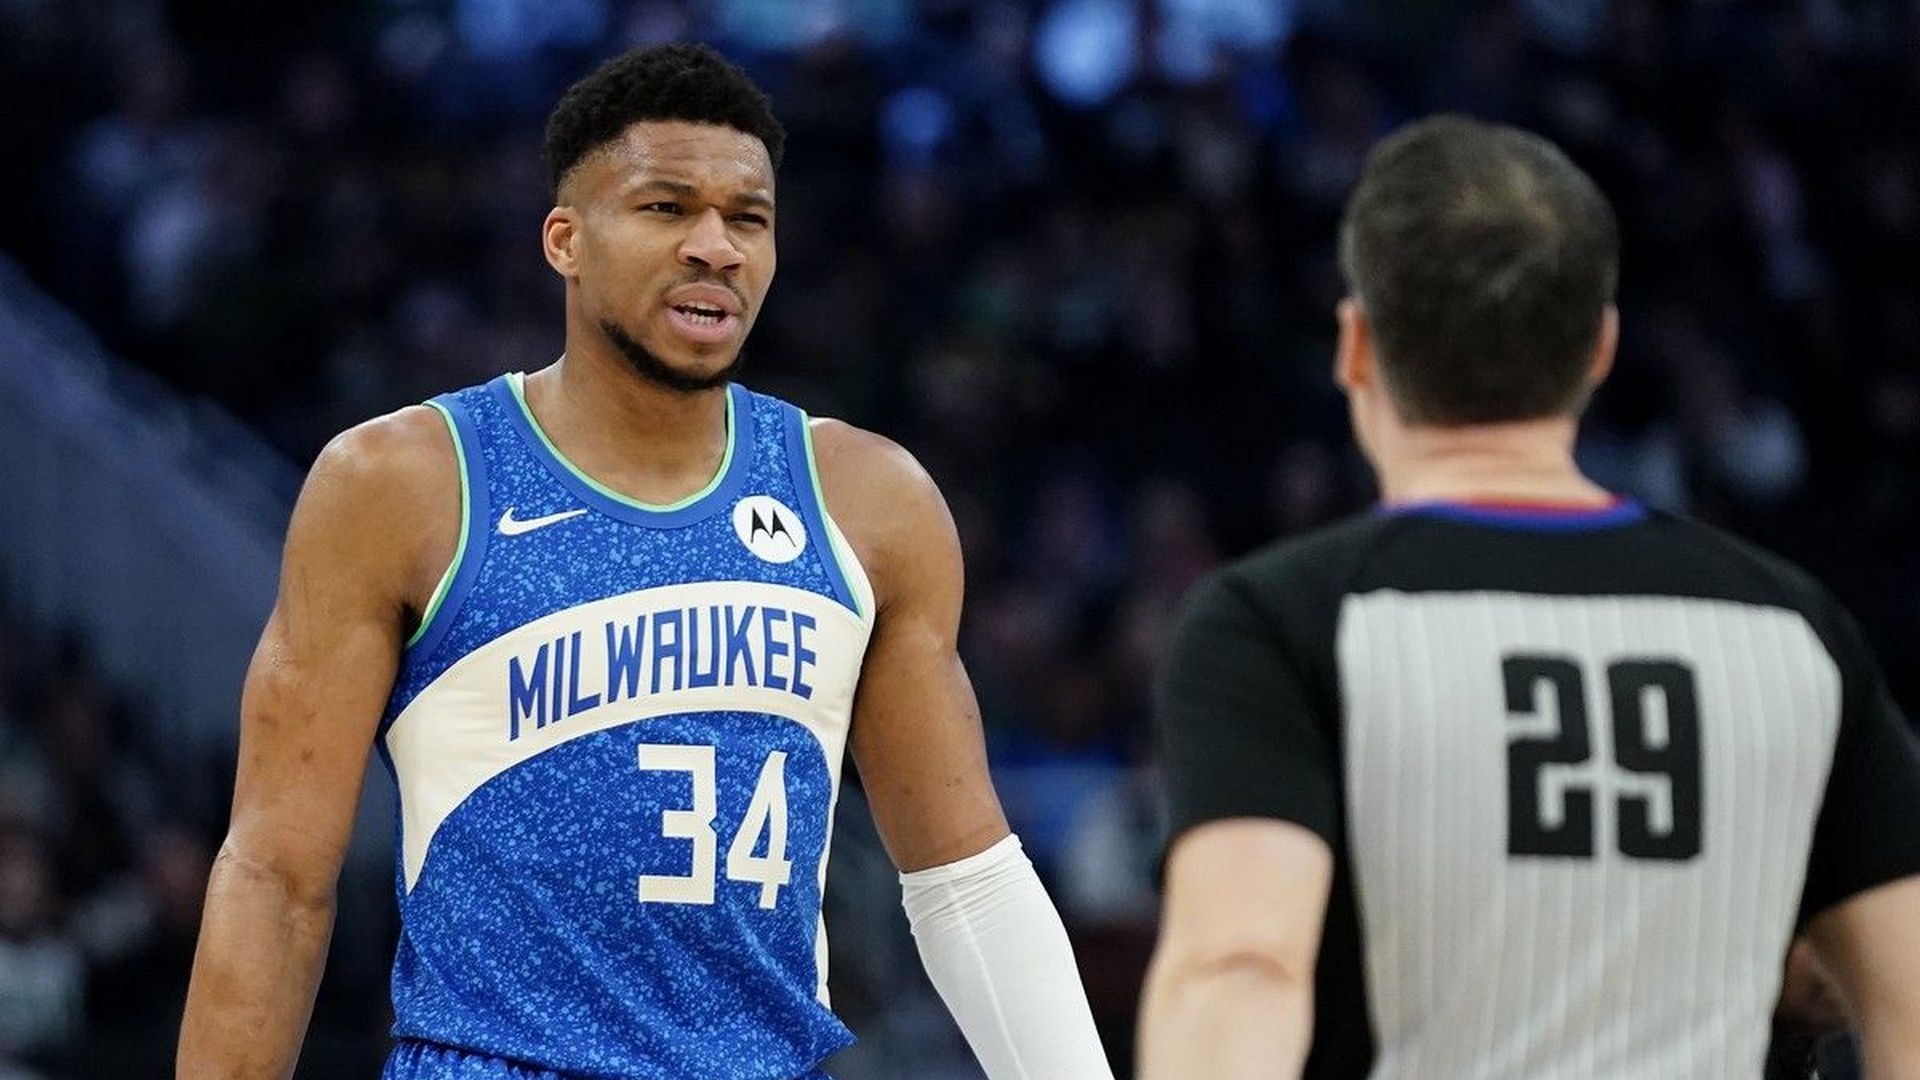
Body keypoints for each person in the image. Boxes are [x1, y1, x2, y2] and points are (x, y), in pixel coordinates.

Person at [178, 43, 1112, 1080]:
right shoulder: (402, 482)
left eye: (747, 218)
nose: (714, 247)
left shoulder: (867, 499)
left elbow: (966, 882)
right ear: (565, 240)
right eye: (667, 208)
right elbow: (275, 877)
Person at [1138, 115, 1920, 1079]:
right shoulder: (1794, 630)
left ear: (1356, 345)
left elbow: (1241, 970)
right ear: (1600, 347)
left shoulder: (1277, 625)